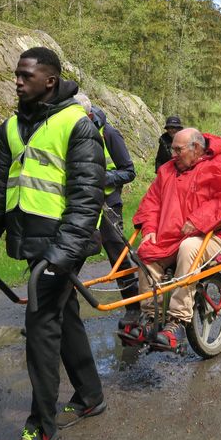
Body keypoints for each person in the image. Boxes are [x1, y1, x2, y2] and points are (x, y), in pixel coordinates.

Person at [0, 47, 106, 440]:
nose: (17, 81)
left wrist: (62, 254)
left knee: (41, 324)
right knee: (64, 314)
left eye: (26, 75)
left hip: (65, 242)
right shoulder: (9, 127)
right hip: (31, 241)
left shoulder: (77, 124)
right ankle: (91, 395)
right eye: (16, 74)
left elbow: (86, 198)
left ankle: (40, 428)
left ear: (50, 80)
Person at [124, 128, 221, 350]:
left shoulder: (220, 166)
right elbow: (151, 204)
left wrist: (198, 220)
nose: (172, 153)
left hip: (212, 235)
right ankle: (151, 317)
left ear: (196, 148)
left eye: (177, 149)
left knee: (188, 247)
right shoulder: (167, 171)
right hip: (171, 236)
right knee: (146, 252)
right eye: (171, 148)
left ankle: (177, 321)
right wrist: (149, 229)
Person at [74, 93, 142, 327]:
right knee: (73, 255)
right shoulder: (71, 134)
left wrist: (102, 178)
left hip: (108, 206)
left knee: (119, 257)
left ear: (89, 115)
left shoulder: (109, 134)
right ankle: (60, 312)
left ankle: (134, 309)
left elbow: (129, 171)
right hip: (80, 205)